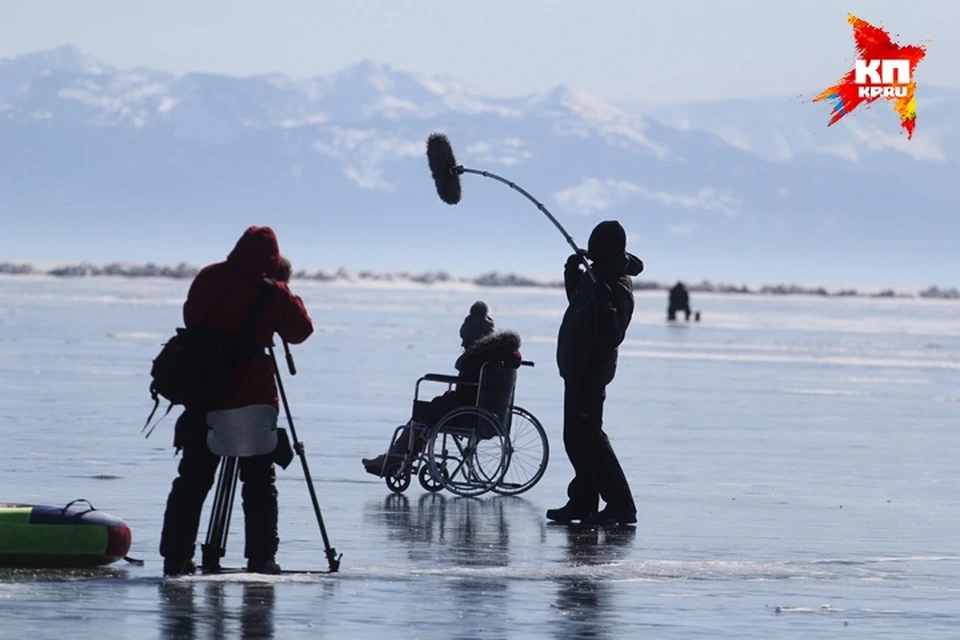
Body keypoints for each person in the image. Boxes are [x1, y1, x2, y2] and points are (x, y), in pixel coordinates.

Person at [159, 226, 314, 576]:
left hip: (204, 392)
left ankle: (175, 557)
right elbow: (300, 331)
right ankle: (261, 558)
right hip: (251, 396)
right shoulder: (272, 291)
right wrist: (284, 289)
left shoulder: (208, 276)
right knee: (259, 481)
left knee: (192, 480)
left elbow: (191, 318)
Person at [547, 220, 643, 526]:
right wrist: (571, 276)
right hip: (575, 367)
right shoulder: (596, 275)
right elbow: (578, 305)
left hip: (591, 370)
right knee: (574, 439)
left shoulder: (616, 287)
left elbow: (612, 336)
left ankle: (621, 505)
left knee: (590, 437)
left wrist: (606, 307)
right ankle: (583, 501)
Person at [361, 301, 522, 477]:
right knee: (429, 411)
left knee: (422, 414)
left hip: (467, 412)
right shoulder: (496, 355)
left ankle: (395, 457)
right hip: (484, 410)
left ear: (473, 338)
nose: (462, 344)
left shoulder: (475, 359)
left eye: (465, 340)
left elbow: (466, 384)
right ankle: (400, 456)